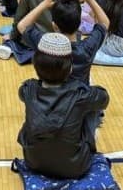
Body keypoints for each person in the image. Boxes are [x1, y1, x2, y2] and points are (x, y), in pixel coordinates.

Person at [17, 32, 109, 179]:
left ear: (36, 64)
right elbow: (104, 99)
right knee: (91, 110)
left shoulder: (27, 89)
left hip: (33, 162)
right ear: (70, 67)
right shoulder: (81, 94)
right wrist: (83, 85)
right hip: (75, 166)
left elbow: (22, 94)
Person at [16, 0, 110, 85]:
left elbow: (22, 26)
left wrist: (44, 4)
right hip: (79, 96)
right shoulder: (87, 48)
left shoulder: (44, 43)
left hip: (50, 97)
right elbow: (105, 23)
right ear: (79, 24)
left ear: (54, 26)